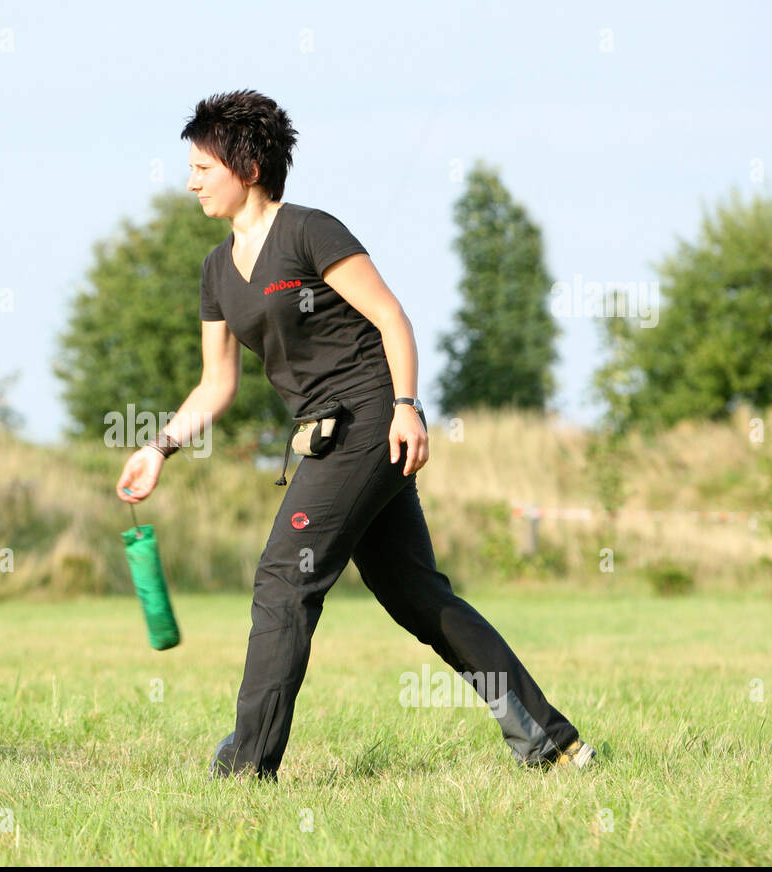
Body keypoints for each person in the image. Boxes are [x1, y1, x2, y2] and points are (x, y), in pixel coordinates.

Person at [114, 90, 594, 779]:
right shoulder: (217, 271)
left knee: (284, 581)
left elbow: (392, 319)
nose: (190, 180)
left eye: (201, 166)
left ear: (246, 165)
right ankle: (552, 742)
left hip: (370, 422)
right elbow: (215, 385)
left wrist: (407, 404)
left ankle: (248, 766)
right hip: (323, 436)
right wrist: (156, 449)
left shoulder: (312, 232)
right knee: (418, 597)